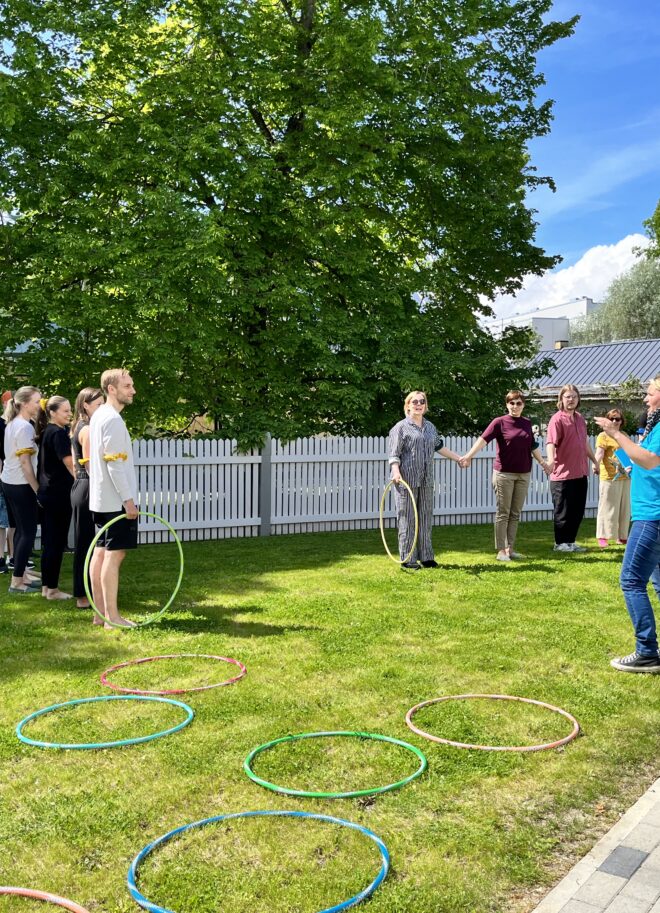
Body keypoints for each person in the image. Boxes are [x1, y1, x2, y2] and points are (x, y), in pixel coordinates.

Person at [595, 374, 660, 673]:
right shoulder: (654, 426)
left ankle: (647, 652)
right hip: (651, 512)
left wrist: (615, 432)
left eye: (650, 394)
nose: (646, 399)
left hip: (651, 517)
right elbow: (640, 464)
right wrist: (618, 445)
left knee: (631, 580)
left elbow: (649, 460)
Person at [459, 390, 549, 562]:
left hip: (524, 473)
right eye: (512, 403)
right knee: (503, 512)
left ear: (523, 405)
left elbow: (532, 445)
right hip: (504, 474)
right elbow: (482, 440)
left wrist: (543, 463)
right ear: (507, 404)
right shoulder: (499, 422)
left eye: (519, 403)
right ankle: (501, 550)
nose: (515, 406)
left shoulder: (526, 423)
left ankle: (510, 549)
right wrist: (469, 456)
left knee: (515, 513)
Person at [388, 391, 463, 570]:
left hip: (426, 479)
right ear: (408, 405)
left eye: (422, 401)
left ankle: (427, 557)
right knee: (408, 519)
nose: (419, 404)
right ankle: (408, 559)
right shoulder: (400, 427)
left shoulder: (430, 427)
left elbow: (439, 446)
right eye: (415, 402)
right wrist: (396, 472)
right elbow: (393, 454)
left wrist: (458, 458)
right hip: (405, 480)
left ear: (425, 405)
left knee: (425, 518)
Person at [88, 369, 139, 628]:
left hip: (100, 498)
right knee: (114, 555)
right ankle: (112, 618)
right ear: (111, 389)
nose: (133, 390)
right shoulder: (113, 420)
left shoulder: (98, 416)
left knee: (100, 553)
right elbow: (115, 465)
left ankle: (99, 615)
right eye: (127, 386)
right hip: (115, 501)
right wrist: (128, 500)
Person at [545, 384, 598, 553]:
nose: (571, 400)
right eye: (567, 397)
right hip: (562, 475)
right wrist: (551, 460)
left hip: (580, 473)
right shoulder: (557, 419)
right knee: (563, 511)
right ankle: (560, 543)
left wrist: (595, 461)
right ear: (561, 399)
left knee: (577, 510)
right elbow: (550, 442)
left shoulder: (580, 419)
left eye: (574, 397)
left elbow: (584, 442)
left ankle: (571, 541)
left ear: (578, 399)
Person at [0, 387, 43, 594]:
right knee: (27, 532)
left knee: (19, 530)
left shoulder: (12, 424)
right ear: (25, 403)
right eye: (36, 401)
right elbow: (25, 463)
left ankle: (22, 574)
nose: (39, 405)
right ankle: (16, 582)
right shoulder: (24, 427)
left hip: (9, 482)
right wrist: (37, 489)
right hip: (20, 485)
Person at [35, 395, 76, 600]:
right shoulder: (58, 434)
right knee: (56, 543)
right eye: (66, 411)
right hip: (58, 495)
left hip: (47, 493)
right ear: (52, 412)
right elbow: (70, 464)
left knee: (49, 542)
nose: (70, 414)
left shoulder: (47, 431)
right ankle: (52, 590)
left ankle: (46, 588)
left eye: (70, 410)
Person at [70, 387, 104, 609]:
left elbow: (75, 464)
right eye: (98, 405)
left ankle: (88, 593)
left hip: (80, 486)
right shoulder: (88, 429)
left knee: (87, 542)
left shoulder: (76, 427)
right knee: (86, 543)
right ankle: (83, 596)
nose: (102, 409)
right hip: (89, 485)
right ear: (85, 406)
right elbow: (90, 465)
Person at [594, 408, 631, 548]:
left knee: (624, 508)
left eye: (618, 419)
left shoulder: (624, 435)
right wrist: (595, 464)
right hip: (609, 477)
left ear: (622, 421)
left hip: (625, 476)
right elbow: (599, 453)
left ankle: (622, 536)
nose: (615, 421)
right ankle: (603, 536)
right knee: (607, 507)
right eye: (612, 418)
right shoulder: (603, 436)